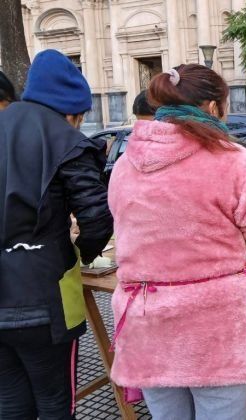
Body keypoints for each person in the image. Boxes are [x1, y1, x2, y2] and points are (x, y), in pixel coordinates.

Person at [107, 64, 246, 420]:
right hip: (214, 330)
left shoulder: (125, 165)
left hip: (146, 324)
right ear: (211, 108)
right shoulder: (233, 161)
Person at [0, 49, 113, 419]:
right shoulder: (66, 140)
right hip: (45, 300)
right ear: (72, 110)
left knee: (11, 402)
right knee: (54, 402)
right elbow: (97, 217)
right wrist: (81, 252)